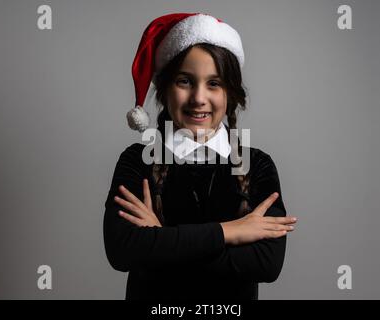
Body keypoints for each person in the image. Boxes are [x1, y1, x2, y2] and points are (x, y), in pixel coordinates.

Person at [103, 13, 297, 300]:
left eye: (214, 83)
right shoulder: (138, 159)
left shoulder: (256, 164)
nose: (198, 98)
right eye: (185, 81)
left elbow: (266, 264)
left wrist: (161, 241)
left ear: (231, 93)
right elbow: (122, 251)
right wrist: (231, 232)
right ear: (165, 88)